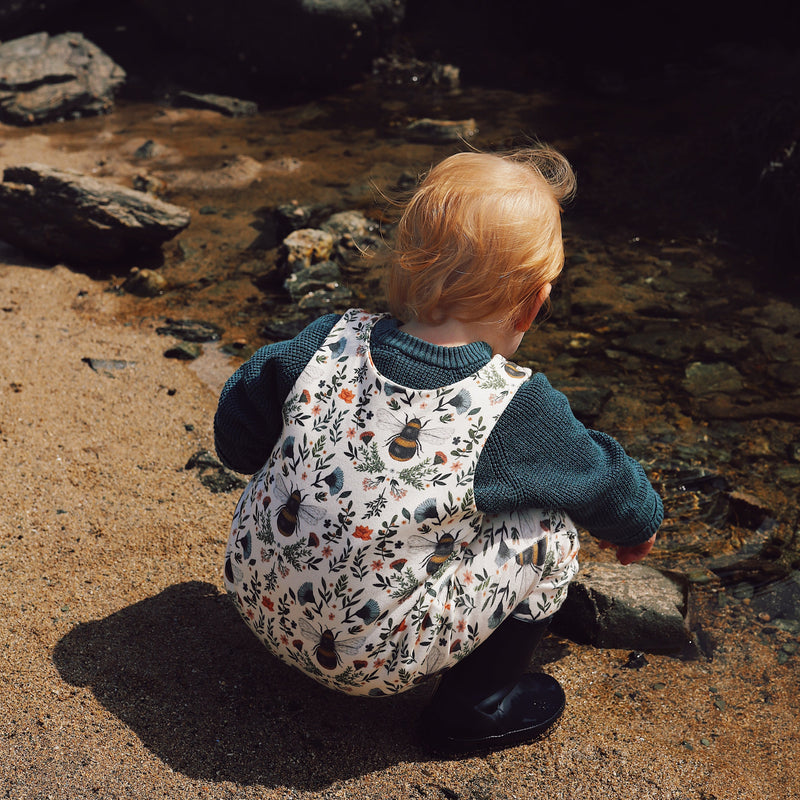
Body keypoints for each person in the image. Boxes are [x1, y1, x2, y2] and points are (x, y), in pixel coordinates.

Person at [214, 146, 663, 755]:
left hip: (256, 601)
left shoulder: (328, 338)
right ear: (534, 302)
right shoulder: (514, 404)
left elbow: (236, 437)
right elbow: (601, 479)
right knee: (550, 527)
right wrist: (641, 523)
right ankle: (476, 705)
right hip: (365, 661)